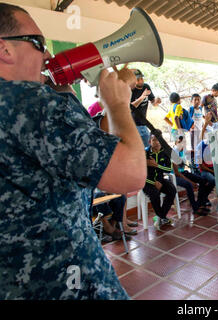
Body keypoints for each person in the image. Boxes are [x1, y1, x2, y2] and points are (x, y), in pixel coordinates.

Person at [0, 3, 146, 299]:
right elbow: (130, 176)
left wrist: (63, 91)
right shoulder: (30, 103)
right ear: (5, 49)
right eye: (39, 44)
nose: (47, 55)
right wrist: (117, 103)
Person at [172, 136, 213, 216]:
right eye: (179, 142)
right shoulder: (174, 152)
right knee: (189, 185)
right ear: (176, 143)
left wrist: (197, 151)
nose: (182, 144)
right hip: (174, 176)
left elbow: (190, 152)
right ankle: (195, 208)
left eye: (184, 142)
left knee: (203, 180)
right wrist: (190, 181)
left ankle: (200, 202)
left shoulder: (182, 151)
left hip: (183, 173)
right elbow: (177, 173)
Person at [143, 135, 176, 229]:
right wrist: (153, 182)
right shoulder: (145, 153)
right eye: (154, 140)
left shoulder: (165, 152)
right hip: (147, 182)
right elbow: (140, 172)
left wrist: (157, 166)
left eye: (159, 140)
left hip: (160, 180)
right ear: (150, 142)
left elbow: (169, 169)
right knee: (154, 193)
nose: (157, 142)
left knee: (172, 190)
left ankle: (160, 216)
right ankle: (162, 217)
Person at [130, 69, 161, 149]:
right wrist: (142, 96)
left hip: (143, 124)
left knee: (148, 148)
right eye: (138, 79)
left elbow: (153, 103)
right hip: (133, 125)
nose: (141, 81)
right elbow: (130, 107)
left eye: (142, 78)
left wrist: (157, 101)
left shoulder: (146, 87)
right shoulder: (130, 90)